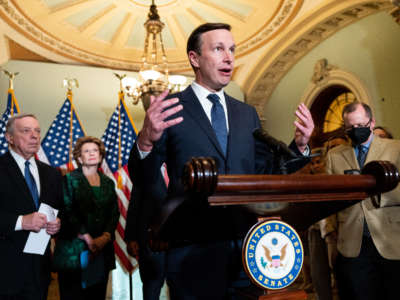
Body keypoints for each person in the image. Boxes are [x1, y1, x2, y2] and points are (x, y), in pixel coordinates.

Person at [128, 22, 314, 299]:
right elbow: (144, 178)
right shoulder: (172, 108)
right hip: (192, 254)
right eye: (218, 49)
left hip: (246, 251)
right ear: (195, 59)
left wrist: (299, 147)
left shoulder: (246, 114)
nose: (229, 57)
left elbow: (263, 171)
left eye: (232, 49)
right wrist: (146, 140)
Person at [325, 101, 400, 300]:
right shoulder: (334, 156)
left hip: (391, 239)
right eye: (350, 128)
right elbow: (328, 199)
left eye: (360, 126)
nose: (355, 131)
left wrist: (373, 193)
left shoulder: (396, 149)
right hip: (353, 243)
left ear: (372, 122)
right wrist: (330, 234)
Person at [0, 113, 62, 300]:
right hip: (5, 272)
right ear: (9, 137)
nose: (34, 136)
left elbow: (62, 210)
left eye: (37, 131)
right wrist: (21, 221)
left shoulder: (51, 173)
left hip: (40, 272)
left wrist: (58, 223)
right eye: (26, 131)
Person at [54, 136, 120, 300]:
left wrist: (105, 237)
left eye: (95, 150)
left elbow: (114, 213)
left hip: (101, 252)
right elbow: (67, 211)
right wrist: (88, 238)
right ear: (79, 157)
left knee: (97, 295)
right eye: (86, 151)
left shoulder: (108, 183)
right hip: (73, 254)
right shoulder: (68, 180)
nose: (91, 154)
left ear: (100, 155)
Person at [125, 164, 168, 300]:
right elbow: (134, 206)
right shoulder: (145, 170)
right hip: (151, 241)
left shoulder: (182, 166)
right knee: (152, 287)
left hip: (182, 240)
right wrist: (131, 238)